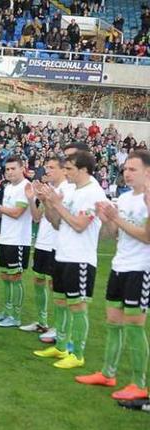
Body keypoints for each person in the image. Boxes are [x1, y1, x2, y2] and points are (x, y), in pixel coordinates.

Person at [76, 151, 150, 400]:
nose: (127, 173)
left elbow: (147, 237)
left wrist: (117, 217)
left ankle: (139, 384)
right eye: (126, 169)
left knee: (134, 327)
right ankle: (108, 373)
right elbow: (112, 235)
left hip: (141, 269)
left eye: (133, 169)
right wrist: (107, 219)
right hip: (119, 265)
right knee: (112, 323)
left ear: (147, 172)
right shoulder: (125, 197)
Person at [33, 151, 109, 369]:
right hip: (63, 254)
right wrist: (47, 202)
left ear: (84, 170)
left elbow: (79, 225)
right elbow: (57, 223)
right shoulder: (73, 191)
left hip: (80, 258)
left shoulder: (93, 193)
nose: (65, 173)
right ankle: (62, 346)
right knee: (60, 302)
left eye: (69, 169)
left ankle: (78, 354)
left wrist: (57, 204)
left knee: (78, 306)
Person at [20, 157, 73, 341]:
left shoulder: (66, 190)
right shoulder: (48, 189)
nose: (47, 171)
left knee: (55, 288)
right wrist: (32, 198)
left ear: (63, 170)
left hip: (56, 245)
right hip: (42, 243)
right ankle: (42, 322)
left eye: (51, 167)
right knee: (38, 281)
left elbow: (57, 220)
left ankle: (59, 328)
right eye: (46, 167)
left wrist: (49, 200)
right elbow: (36, 218)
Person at [0, 157, 32, 328]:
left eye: (13, 168)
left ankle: (16, 316)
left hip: (18, 240)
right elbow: (5, 213)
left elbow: (17, 213)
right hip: (6, 238)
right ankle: (7, 311)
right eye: (7, 169)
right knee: (5, 276)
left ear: (22, 168)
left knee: (15, 277)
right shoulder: (8, 187)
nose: (10, 172)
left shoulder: (26, 187)